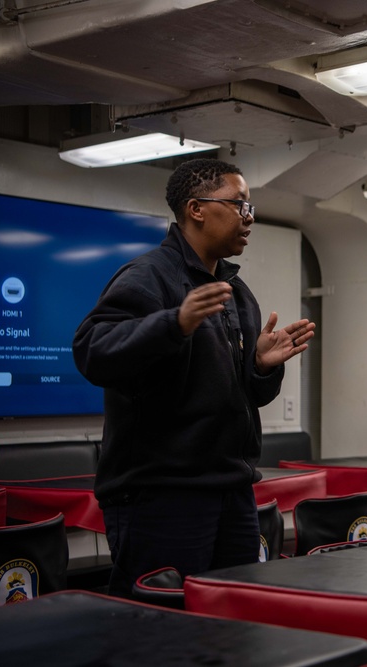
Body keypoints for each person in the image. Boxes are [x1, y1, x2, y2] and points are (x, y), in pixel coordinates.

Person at [73, 158, 315, 597]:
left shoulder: (236, 292)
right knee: (160, 630)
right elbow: (93, 351)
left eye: (250, 207)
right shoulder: (148, 277)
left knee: (232, 623)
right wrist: (174, 323)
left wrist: (261, 367)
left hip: (232, 491)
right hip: (161, 497)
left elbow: (240, 396)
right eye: (239, 205)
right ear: (196, 209)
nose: (249, 217)